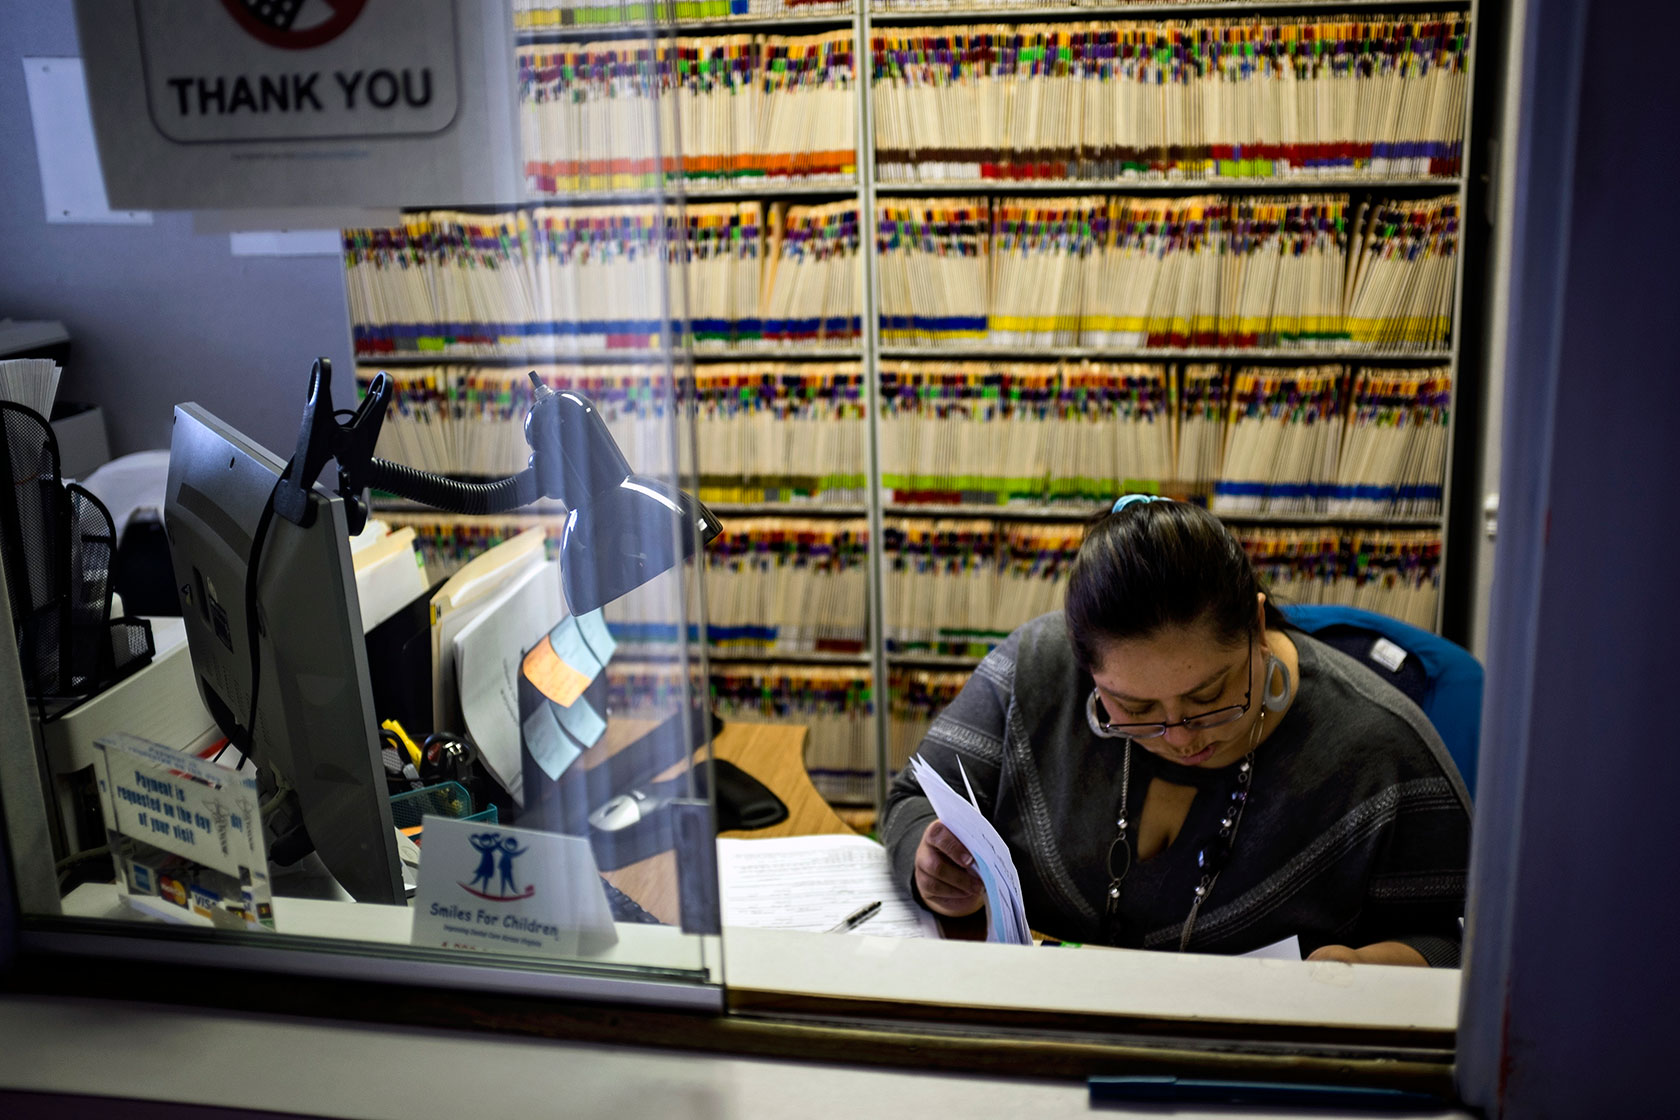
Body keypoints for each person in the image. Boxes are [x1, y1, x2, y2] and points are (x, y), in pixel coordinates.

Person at [882, 496, 1471, 965]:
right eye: (1134, 708)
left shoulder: (1380, 754)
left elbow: (1464, 943)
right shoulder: (1033, 672)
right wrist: (930, 870)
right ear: (1084, 666)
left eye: (1209, 696)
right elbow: (911, 801)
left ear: (1257, 628)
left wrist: (1374, 969)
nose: (1181, 735)